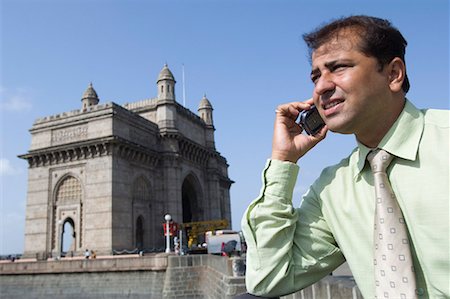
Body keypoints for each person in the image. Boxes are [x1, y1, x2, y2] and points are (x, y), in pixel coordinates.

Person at [241, 15, 449, 298]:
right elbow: (269, 278)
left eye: (338, 68)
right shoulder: (331, 191)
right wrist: (283, 161)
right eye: (316, 76)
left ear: (393, 74)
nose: (321, 88)